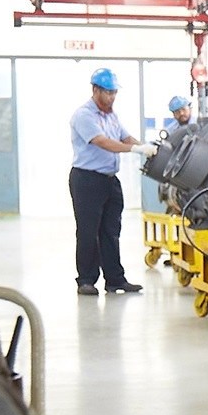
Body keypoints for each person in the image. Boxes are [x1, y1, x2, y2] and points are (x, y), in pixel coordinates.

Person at [69, 67, 152, 296]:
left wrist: (146, 147)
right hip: (87, 180)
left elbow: (125, 136)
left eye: (114, 92)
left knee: (111, 231)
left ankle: (115, 280)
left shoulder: (111, 115)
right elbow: (103, 142)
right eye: (108, 92)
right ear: (95, 90)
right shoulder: (84, 115)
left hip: (109, 180)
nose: (112, 97)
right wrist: (134, 150)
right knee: (88, 231)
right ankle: (86, 280)